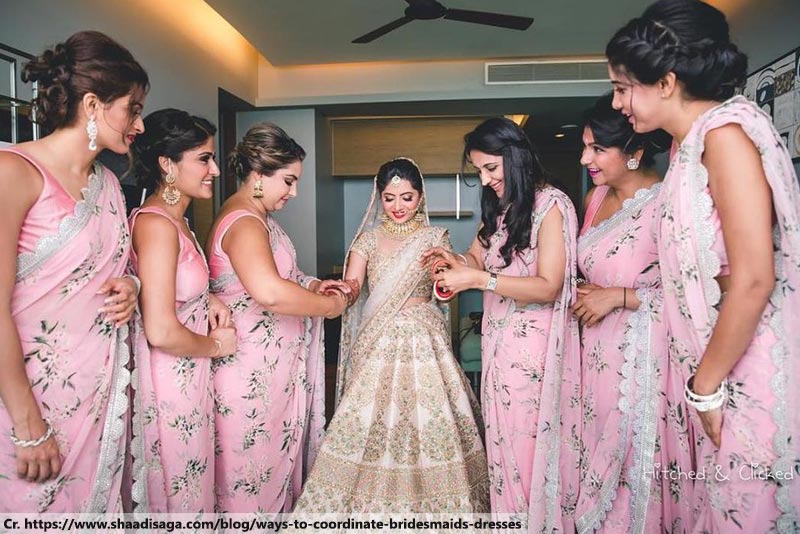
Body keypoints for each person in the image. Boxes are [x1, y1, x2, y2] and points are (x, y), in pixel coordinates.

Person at [606, 1, 800, 531]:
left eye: (624, 88)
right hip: (711, 362)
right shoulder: (684, 147)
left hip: (744, 368)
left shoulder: (725, 137)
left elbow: (755, 274)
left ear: (665, 82)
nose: (618, 103)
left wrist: (705, 385)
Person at [289, 157, 489, 515]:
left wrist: (444, 284)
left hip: (423, 337)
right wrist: (339, 292)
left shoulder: (434, 237)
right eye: (390, 197)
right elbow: (354, 285)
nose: (398, 206)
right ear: (379, 197)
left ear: (421, 198)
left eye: (407, 197)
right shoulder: (366, 240)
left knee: (430, 418)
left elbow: (443, 289)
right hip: (378, 337)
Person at [0, 31, 147, 512]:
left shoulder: (107, 183)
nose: (139, 125)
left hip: (98, 393)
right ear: (92, 104)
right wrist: (28, 424)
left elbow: (119, 263)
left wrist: (132, 284)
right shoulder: (14, 172)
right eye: (132, 108)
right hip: (29, 403)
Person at [423, 118, 581, 530]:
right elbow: (475, 258)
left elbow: (550, 285)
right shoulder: (499, 209)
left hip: (536, 352)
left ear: (516, 158)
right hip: (499, 346)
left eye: (491, 168)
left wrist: (478, 280)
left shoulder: (552, 205)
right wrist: (453, 263)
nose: (486, 179)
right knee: (504, 444)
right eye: (479, 171)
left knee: (530, 446)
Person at [206, 122, 350, 513]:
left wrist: (314, 284)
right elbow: (269, 292)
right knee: (250, 477)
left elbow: (282, 278)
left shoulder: (260, 219)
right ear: (258, 175)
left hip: (271, 372)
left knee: (270, 472)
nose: (294, 192)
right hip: (249, 373)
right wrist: (331, 308)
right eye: (288, 181)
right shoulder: (245, 222)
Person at [572, 94, 694, 532]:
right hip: (592, 353)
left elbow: (689, 294)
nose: (585, 157)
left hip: (640, 357)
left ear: (635, 152)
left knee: (631, 470)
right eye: (586, 146)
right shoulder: (595, 197)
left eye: (597, 149)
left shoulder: (665, 205)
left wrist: (618, 297)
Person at [127, 108, 236, 513]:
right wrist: (216, 347)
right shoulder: (156, 224)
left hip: (190, 379)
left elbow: (169, 287)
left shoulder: (179, 222)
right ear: (167, 165)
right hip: (169, 383)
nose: (215, 170)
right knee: (180, 495)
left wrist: (206, 298)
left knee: (196, 488)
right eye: (204, 159)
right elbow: (159, 329)